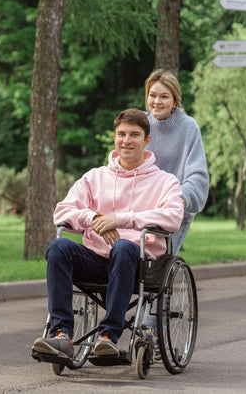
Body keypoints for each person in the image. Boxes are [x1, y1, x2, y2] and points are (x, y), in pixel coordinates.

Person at [32, 108, 184, 359]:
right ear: (114, 137)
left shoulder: (165, 181)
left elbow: (172, 217)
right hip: (95, 260)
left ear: (147, 140)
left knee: (123, 246)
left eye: (134, 134)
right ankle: (61, 335)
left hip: (138, 265)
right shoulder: (95, 177)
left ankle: (108, 337)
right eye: (121, 134)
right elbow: (61, 212)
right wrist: (92, 218)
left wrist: (120, 220)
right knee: (58, 246)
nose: (127, 140)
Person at [143, 69, 209, 254]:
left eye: (164, 96)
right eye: (152, 95)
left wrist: (181, 198)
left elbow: (198, 175)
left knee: (153, 266)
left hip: (172, 209)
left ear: (175, 100)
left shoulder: (188, 127)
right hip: (139, 206)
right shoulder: (140, 123)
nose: (156, 101)